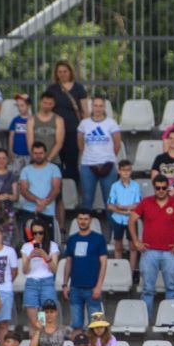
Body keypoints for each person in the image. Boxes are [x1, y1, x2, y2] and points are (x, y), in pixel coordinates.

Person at [130, 175, 174, 319]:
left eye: (164, 187)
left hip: (170, 252)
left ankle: (170, 320)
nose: (161, 190)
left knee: (171, 288)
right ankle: (145, 321)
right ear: (154, 187)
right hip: (149, 252)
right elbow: (132, 220)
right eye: (158, 188)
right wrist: (136, 241)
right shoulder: (146, 202)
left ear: (167, 187)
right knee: (147, 290)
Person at [44, 59, 89, 226]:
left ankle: (73, 197)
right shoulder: (52, 89)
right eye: (59, 71)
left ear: (70, 71)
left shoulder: (78, 88)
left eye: (65, 71)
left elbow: (85, 111)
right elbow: (46, 108)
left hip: (73, 131)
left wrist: (84, 130)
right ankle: (57, 195)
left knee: (71, 165)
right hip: (56, 132)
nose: (62, 74)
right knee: (55, 165)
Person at [63, 208, 109, 330]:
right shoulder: (72, 239)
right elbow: (68, 262)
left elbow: (103, 263)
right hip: (75, 288)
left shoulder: (99, 239)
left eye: (86, 219)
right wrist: (64, 284)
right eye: (80, 219)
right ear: (77, 220)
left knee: (97, 326)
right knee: (76, 326)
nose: (83, 221)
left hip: (93, 289)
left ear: (91, 220)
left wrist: (99, 286)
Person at [76, 95, 122, 209]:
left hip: (107, 164)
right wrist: (88, 155)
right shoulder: (84, 123)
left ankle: (112, 227)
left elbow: (117, 144)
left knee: (110, 201)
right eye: (95, 105)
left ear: (104, 107)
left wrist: (109, 157)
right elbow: (80, 143)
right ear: (92, 107)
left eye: (100, 106)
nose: (98, 108)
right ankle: (86, 226)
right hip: (88, 165)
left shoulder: (111, 123)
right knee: (87, 200)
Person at [18, 142, 63, 241]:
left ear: (45, 153)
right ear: (31, 154)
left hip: (48, 212)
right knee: (29, 243)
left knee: (49, 243)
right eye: (35, 153)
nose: (38, 156)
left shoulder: (54, 168)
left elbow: (56, 189)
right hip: (29, 212)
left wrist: (44, 203)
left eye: (41, 153)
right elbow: (24, 190)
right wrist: (38, 201)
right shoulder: (25, 170)